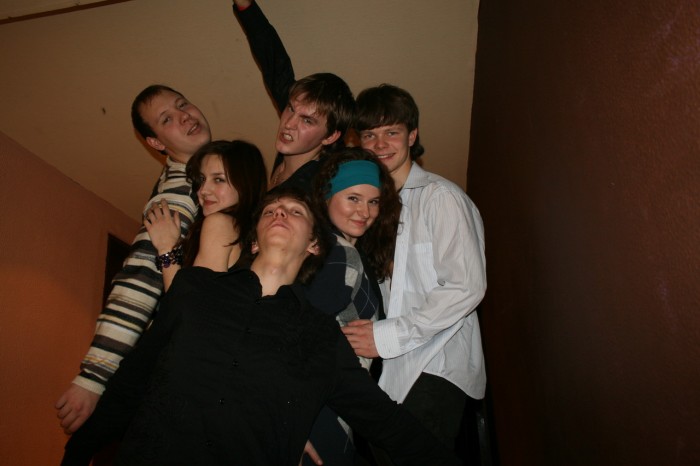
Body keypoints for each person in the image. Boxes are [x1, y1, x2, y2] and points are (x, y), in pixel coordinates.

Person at [60, 188, 461, 466]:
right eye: (271, 211)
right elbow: (132, 381)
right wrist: (76, 453)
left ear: (314, 245)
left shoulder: (321, 337)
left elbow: (385, 422)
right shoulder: (195, 290)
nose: (280, 213)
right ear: (253, 242)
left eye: (295, 211)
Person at [342, 84, 488, 460]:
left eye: (391, 131)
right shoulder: (370, 209)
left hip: (436, 361)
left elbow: (466, 287)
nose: (380, 144)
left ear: (412, 135)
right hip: (390, 369)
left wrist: (387, 336)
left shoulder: (442, 197)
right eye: (370, 135)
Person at [55, 84, 212, 434]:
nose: (185, 116)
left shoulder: (199, 184)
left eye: (183, 104)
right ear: (156, 142)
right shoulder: (176, 197)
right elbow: (138, 282)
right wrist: (93, 377)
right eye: (167, 119)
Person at [302, 148, 401, 465]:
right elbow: (299, 339)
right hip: (319, 411)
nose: (365, 211)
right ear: (327, 197)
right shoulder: (341, 255)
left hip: (330, 406)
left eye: (373, 201)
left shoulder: (336, 252)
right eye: (353, 198)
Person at [231, 0, 356, 191]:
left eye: (307, 121)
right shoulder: (296, 143)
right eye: (290, 109)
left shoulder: (317, 189)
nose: (288, 123)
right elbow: (274, 62)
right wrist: (245, 5)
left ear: (330, 136)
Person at [144, 139, 268, 291]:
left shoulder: (219, 223)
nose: (203, 190)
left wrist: (166, 248)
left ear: (245, 184)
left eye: (218, 179)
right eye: (202, 179)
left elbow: (190, 301)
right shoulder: (245, 233)